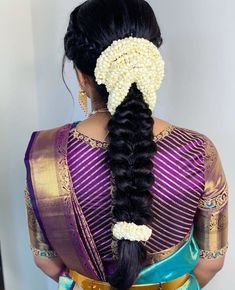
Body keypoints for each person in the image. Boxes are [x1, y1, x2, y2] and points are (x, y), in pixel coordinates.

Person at [23, 0, 229, 289]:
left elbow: (45, 259)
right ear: (150, 66)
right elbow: (211, 260)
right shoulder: (197, 151)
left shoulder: (43, 157)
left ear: (82, 78)